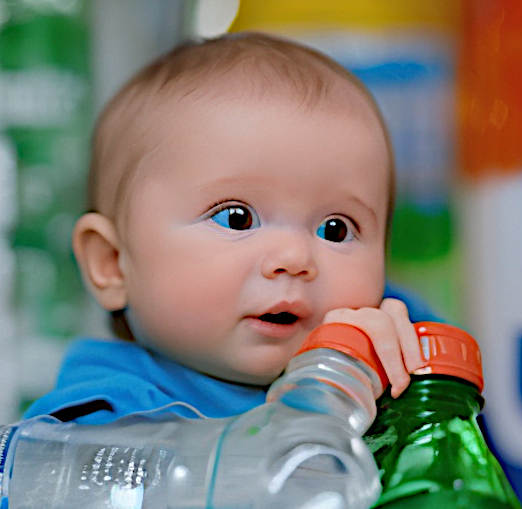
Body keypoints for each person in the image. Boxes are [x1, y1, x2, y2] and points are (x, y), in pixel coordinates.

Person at [24, 32, 441, 426]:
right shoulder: (96, 422)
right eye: (236, 218)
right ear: (113, 263)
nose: (294, 257)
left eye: (336, 229)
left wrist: (418, 381)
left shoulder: (387, 383)